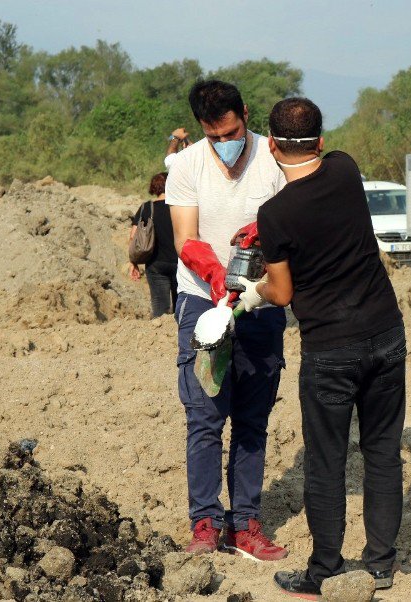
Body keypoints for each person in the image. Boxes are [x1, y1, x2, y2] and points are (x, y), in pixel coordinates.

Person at [235, 97, 406, 597]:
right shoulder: (345, 169)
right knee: (382, 451)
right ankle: (379, 566)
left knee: (327, 461)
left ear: (270, 146)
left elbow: (283, 293)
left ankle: (325, 570)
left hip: (331, 348)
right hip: (386, 331)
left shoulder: (275, 214)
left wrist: (254, 291)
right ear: (322, 141)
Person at [164, 80, 289, 560]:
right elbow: (185, 237)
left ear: (246, 115)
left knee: (253, 418)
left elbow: (294, 222)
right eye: (214, 136)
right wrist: (215, 274)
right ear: (201, 129)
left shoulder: (272, 160)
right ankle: (205, 524)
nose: (225, 144)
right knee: (205, 417)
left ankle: (245, 525)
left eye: (232, 132)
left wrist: (267, 233)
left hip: (261, 300)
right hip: (203, 302)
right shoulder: (188, 165)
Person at [129, 172, 177, 317]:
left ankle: (159, 336)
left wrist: (134, 263)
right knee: (182, 307)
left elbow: (133, 237)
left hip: (155, 264)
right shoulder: (180, 206)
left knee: (159, 308)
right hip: (180, 263)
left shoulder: (146, 208)